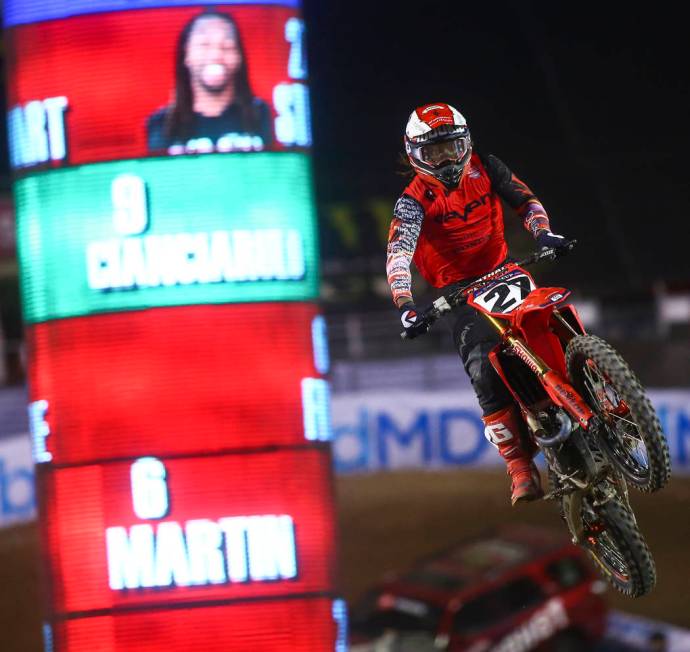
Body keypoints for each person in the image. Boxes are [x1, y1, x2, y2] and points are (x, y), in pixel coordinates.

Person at [386, 102, 571, 505]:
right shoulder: (412, 201)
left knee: (555, 317)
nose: (446, 159)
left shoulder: (487, 167)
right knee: (482, 368)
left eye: (452, 147)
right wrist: (406, 304)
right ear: (416, 155)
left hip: (506, 269)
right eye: (434, 152)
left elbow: (526, 200)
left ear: (466, 142)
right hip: (460, 294)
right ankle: (520, 467)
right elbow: (399, 254)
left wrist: (544, 234)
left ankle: (595, 381)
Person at [147, 10, 273, 153]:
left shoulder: (260, 115)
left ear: (238, 57)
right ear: (186, 55)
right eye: (204, 45)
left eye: (227, 46)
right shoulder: (162, 124)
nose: (216, 55)